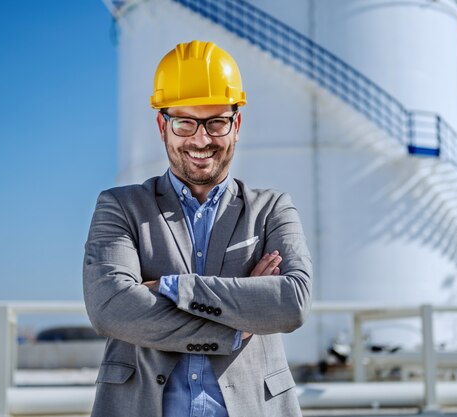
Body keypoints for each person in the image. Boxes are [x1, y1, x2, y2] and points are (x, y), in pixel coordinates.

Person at [83, 40, 312, 417]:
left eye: (216, 122)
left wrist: (172, 287)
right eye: (185, 122)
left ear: (236, 125)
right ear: (163, 126)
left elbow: (291, 303)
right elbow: (112, 308)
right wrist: (237, 327)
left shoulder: (272, 208)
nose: (200, 139)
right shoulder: (120, 207)